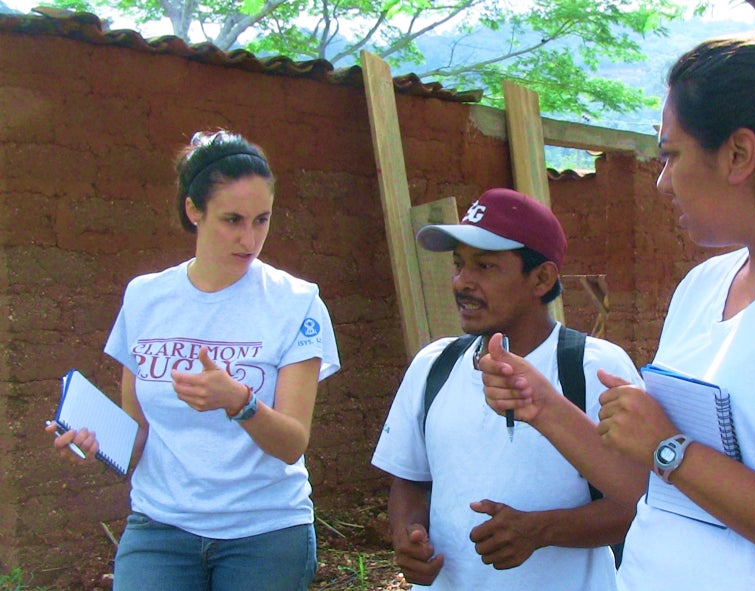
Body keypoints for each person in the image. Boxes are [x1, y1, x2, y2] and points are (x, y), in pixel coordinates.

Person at [479, 35, 755, 591]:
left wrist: (671, 449)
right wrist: (543, 405)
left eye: (671, 154)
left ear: (739, 154)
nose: (662, 180)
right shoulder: (704, 286)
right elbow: (656, 489)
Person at [46, 130, 341, 591]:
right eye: (232, 220)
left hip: (264, 532)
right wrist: (94, 443)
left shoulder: (297, 303)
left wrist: (239, 401)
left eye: (262, 220)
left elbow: (291, 444)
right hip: (160, 528)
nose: (250, 239)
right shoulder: (145, 298)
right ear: (193, 211)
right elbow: (137, 437)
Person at [371, 187, 643, 590]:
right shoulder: (434, 367)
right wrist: (408, 534)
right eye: (458, 264)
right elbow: (412, 480)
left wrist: (543, 529)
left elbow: (643, 505)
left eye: (485, 267)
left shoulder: (594, 369)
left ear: (541, 278)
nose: (462, 282)